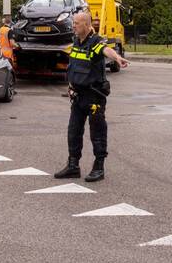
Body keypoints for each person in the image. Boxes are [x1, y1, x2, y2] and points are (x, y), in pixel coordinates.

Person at [54, 11, 129, 182]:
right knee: (73, 131)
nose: (73, 26)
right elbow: (74, 67)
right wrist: (70, 86)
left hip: (94, 96)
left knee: (97, 132)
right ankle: (73, 166)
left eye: (77, 23)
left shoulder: (95, 42)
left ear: (87, 26)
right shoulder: (76, 42)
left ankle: (99, 167)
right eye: (73, 23)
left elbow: (106, 50)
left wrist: (117, 58)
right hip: (78, 96)